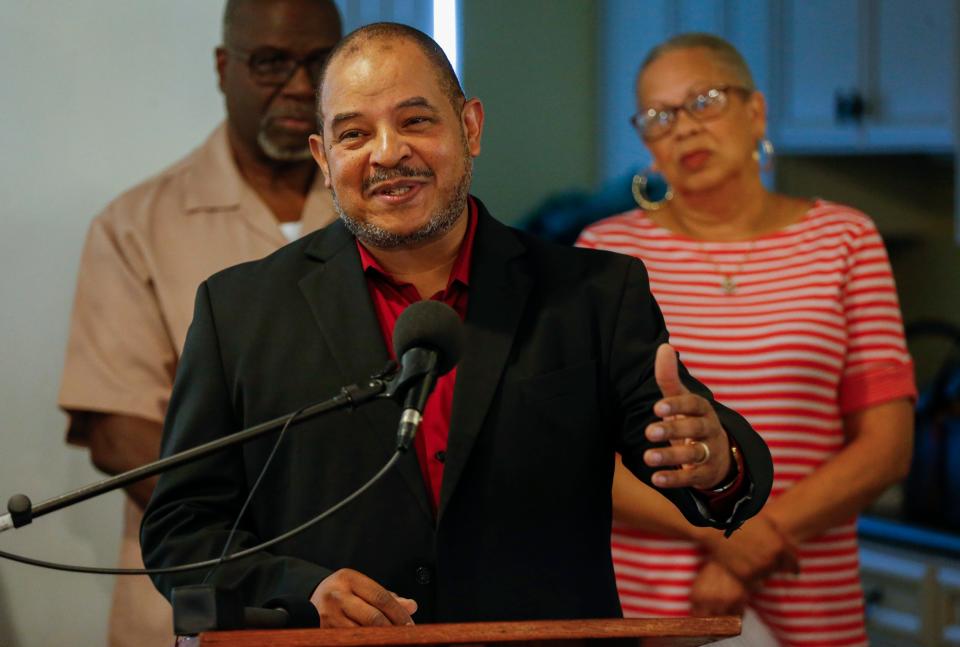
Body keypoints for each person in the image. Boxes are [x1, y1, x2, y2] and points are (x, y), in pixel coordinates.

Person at [140, 23, 774, 626]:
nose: (389, 153)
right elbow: (182, 531)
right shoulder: (240, 310)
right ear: (324, 158)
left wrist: (716, 462)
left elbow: (708, 467)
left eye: (415, 121)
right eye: (354, 135)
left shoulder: (593, 295)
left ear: (470, 127)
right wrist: (301, 589)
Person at [577, 33, 916, 646]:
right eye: (659, 117)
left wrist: (760, 535)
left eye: (704, 101)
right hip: (647, 604)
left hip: (810, 596)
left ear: (755, 110)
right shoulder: (605, 255)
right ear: (646, 143)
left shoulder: (846, 240)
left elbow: (886, 446)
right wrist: (721, 533)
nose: (683, 128)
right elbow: (581, 454)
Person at [57, 1, 342, 644]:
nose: (299, 85)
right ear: (224, 66)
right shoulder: (136, 224)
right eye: (271, 62)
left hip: (354, 594)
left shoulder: (382, 218)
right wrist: (269, 552)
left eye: (319, 61)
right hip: (193, 599)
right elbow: (118, 431)